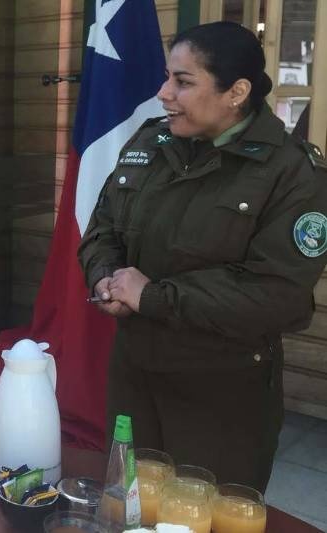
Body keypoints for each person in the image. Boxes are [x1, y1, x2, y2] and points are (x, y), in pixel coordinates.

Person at [78, 21, 327, 492]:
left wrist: (152, 297)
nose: (164, 92)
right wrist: (106, 278)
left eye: (183, 82)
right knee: (129, 507)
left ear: (236, 92)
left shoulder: (293, 173)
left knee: (203, 516)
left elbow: (278, 295)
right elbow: (101, 231)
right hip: (134, 377)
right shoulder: (151, 143)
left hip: (220, 393)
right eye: (169, 77)